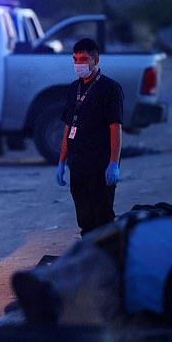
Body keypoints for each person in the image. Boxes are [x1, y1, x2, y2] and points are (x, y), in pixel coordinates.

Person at [56, 38, 124, 236]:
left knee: (103, 218)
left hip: (99, 165)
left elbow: (115, 127)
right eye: (75, 59)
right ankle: (90, 257)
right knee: (85, 220)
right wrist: (61, 162)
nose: (79, 64)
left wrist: (113, 164)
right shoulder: (73, 89)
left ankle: (110, 258)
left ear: (96, 60)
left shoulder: (110, 89)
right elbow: (68, 127)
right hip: (77, 165)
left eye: (84, 59)